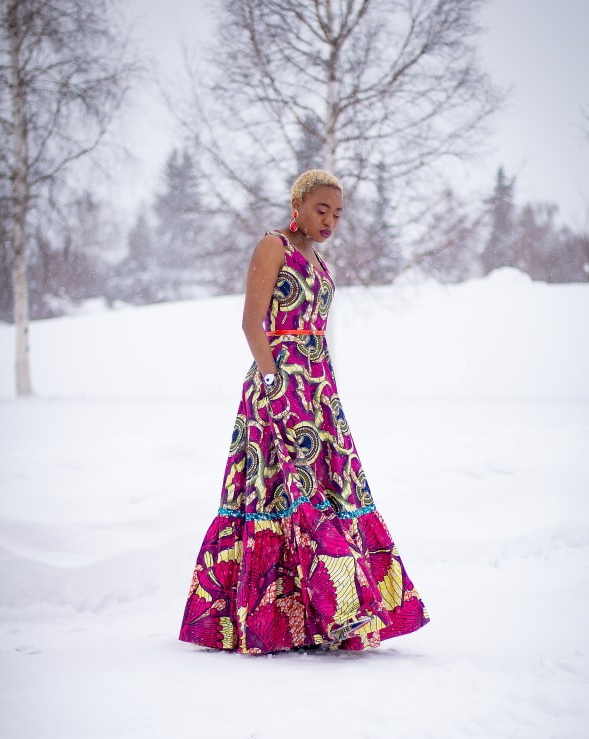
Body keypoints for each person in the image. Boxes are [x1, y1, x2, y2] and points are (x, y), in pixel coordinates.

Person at [179, 169, 429, 655]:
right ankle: (266, 620)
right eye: (321, 209)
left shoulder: (318, 259)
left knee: (331, 488)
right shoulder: (274, 245)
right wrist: (274, 382)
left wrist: (316, 391)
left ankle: (321, 617)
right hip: (278, 384)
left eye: (337, 213)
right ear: (297, 204)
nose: (330, 220)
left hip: (318, 391)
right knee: (281, 490)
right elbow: (253, 323)